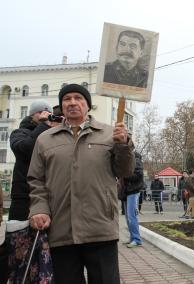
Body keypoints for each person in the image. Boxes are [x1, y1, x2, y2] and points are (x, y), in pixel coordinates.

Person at [27, 83, 135, 284]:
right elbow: (36, 180)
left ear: (88, 105)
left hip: (100, 227)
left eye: (78, 98)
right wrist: (39, 209)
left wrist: (123, 145)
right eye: (67, 99)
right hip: (61, 229)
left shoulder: (109, 134)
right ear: (61, 105)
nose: (72, 103)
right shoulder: (45, 140)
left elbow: (125, 171)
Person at [8, 100, 56, 221]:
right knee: (19, 235)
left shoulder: (52, 134)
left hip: (48, 194)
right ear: (31, 115)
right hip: (24, 195)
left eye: (48, 113)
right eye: (40, 112)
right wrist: (43, 125)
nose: (45, 115)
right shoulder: (19, 133)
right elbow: (26, 149)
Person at [122, 151, 143, 248]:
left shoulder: (136, 160)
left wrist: (125, 175)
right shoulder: (129, 159)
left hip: (133, 191)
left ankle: (136, 239)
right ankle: (132, 237)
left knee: (131, 216)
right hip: (127, 192)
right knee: (128, 217)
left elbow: (138, 175)